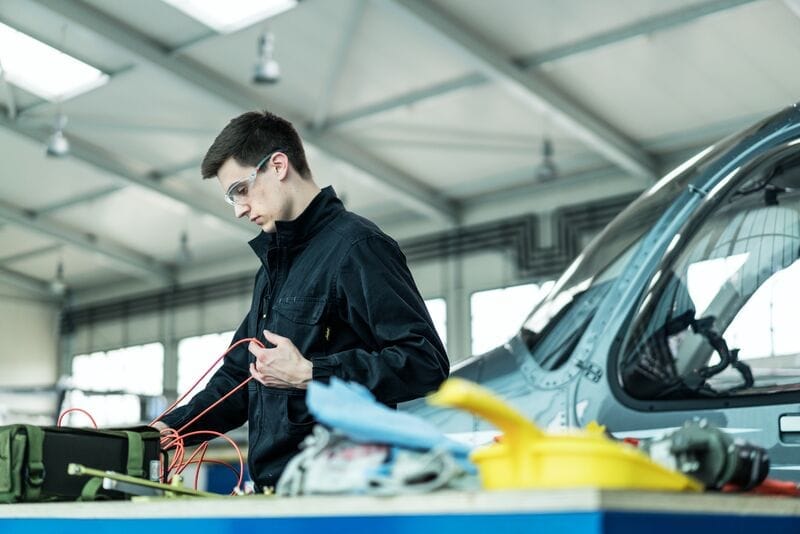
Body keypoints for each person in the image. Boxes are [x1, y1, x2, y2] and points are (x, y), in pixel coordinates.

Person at [157, 110, 449, 489]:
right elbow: (237, 379)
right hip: (278, 492)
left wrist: (312, 373)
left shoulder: (358, 248)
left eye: (240, 190)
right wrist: (172, 430)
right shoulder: (274, 268)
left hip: (342, 493)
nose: (240, 209)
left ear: (278, 165)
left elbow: (424, 362)